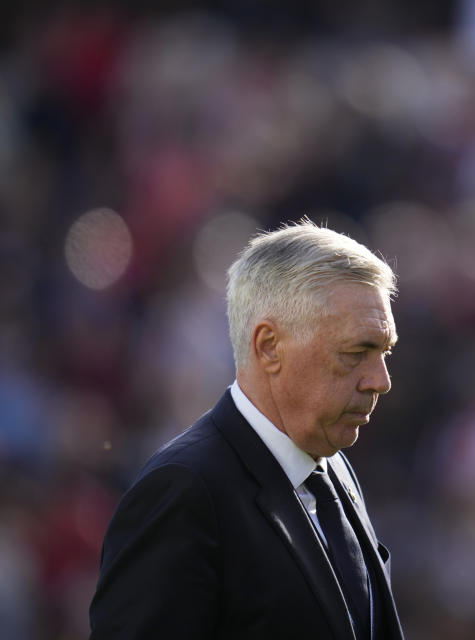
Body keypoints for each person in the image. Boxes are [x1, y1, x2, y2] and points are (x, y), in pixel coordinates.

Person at [90, 220, 404, 639]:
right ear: (269, 346)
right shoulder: (183, 491)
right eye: (356, 352)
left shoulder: (335, 471)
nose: (380, 380)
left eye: (384, 352)